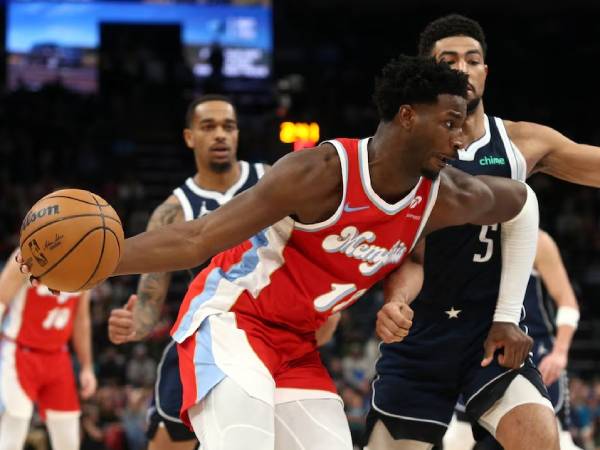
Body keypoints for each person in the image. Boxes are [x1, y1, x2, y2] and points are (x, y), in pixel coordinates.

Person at [23, 55, 542, 450]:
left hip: (296, 345)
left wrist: (504, 315)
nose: (458, 142)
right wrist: (103, 263)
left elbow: (524, 204)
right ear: (407, 116)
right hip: (232, 322)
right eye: (449, 123)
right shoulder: (319, 173)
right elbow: (196, 238)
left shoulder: (445, 195)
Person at [366, 14, 600, 450]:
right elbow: (409, 252)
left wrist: (506, 318)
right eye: (448, 60)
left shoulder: (521, 143)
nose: (462, 69)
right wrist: (393, 302)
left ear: (485, 72)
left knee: (538, 436)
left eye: (472, 60)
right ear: (428, 70)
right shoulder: (405, 151)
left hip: (492, 335)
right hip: (419, 336)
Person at [108, 94, 267, 450]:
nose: (220, 135)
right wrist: (135, 325)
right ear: (189, 137)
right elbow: (150, 301)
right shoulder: (172, 212)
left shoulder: (271, 181)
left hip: (272, 333)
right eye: (208, 127)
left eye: (228, 126)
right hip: (208, 336)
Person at [443, 229, 582, 450]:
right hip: (480, 351)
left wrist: (560, 353)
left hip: (536, 353)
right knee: (457, 439)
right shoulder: (465, 234)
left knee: (559, 441)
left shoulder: (539, 240)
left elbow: (567, 302)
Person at [0, 248, 97, 450]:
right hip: (19, 352)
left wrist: (87, 366)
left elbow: (81, 320)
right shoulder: (28, 253)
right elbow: (0, 301)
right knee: (11, 436)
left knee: (69, 440)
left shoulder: (88, 259)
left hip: (58, 356)